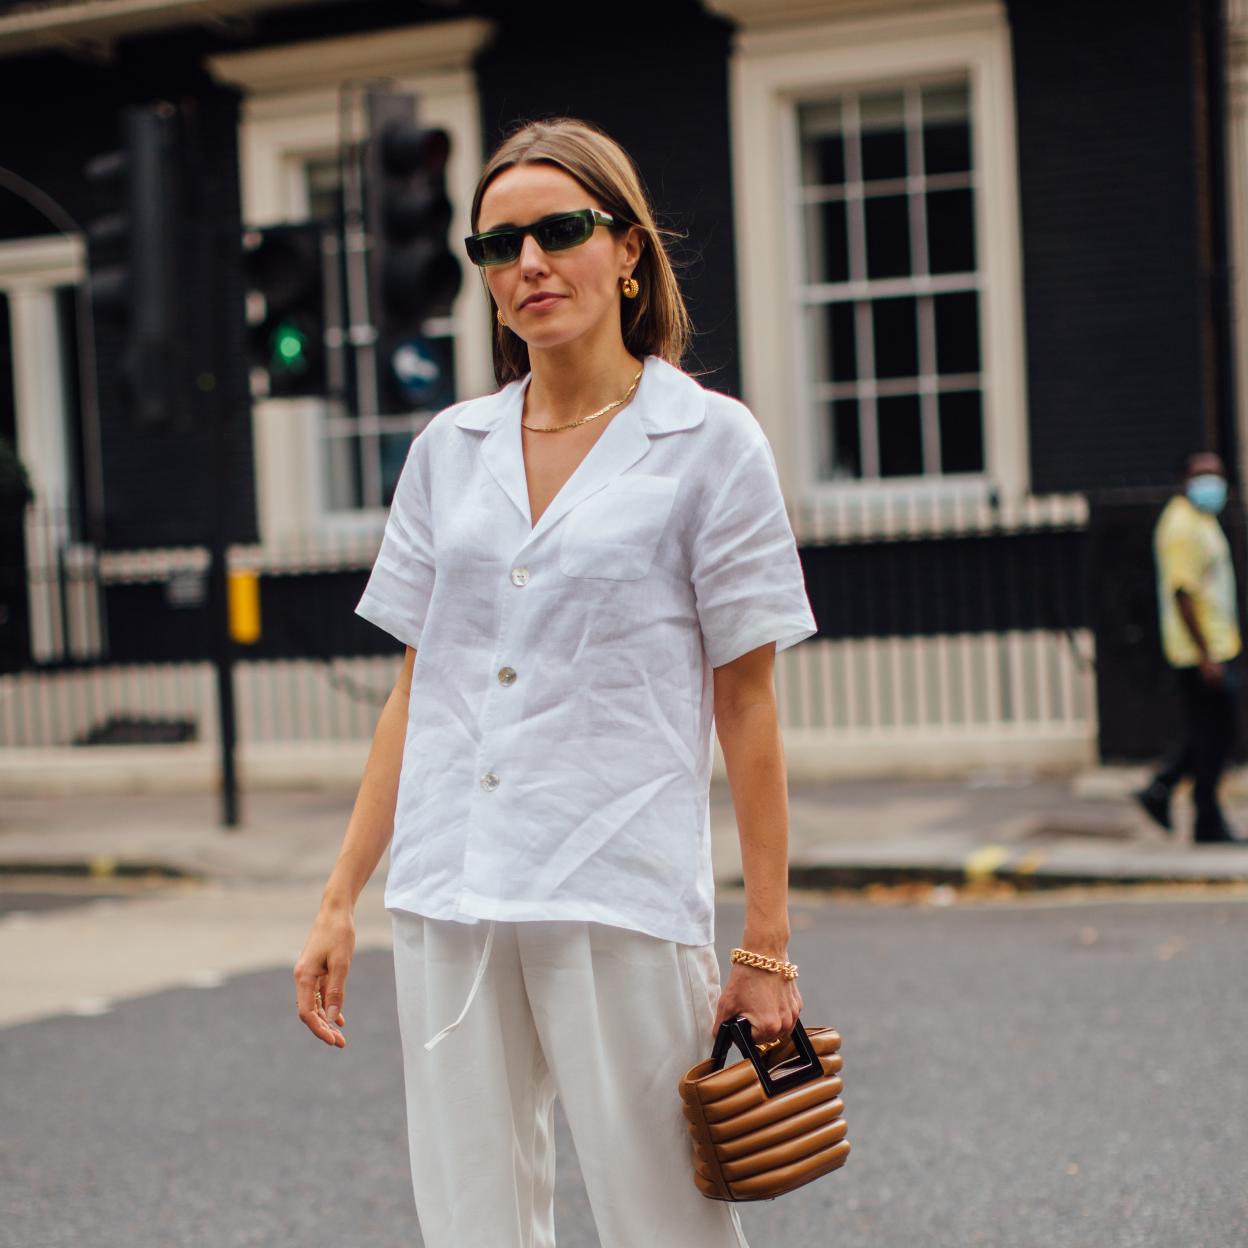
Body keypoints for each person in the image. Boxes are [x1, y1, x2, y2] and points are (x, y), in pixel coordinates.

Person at [292, 117, 819, 1247]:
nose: (529, 263)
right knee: (470, 1223)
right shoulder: (448, 450)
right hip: (449, 889)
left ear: (628, 250)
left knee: (662, 1222)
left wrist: (765, 945)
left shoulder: (711, 444)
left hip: (612, 886)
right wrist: (340, 895)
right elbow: (413, 692)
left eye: (561, 230)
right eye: (498, 245)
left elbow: (747, 704)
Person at [1134, 451, 1244, 844]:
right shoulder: (1181, 526)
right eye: (1202, 474)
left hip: (1216, 645)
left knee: (1210, 734)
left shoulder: (1199, 521)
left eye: (1217, 473)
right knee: (1215, 734)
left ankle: (1169, 794)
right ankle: (1197, 813)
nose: (1212, 482)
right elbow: (1182, 592)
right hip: (1199, 652)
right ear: (1184, 479)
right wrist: (1205, 654)